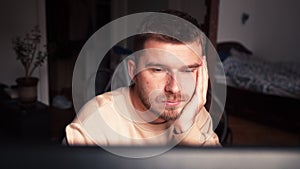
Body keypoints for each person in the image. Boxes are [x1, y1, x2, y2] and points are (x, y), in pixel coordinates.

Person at [65, 10, 220, 146]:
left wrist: (186, 130)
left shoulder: (194, 112)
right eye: (158, 69)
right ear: (133, 71)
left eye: (187, 70)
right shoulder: (96, 123)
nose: (174, 88)